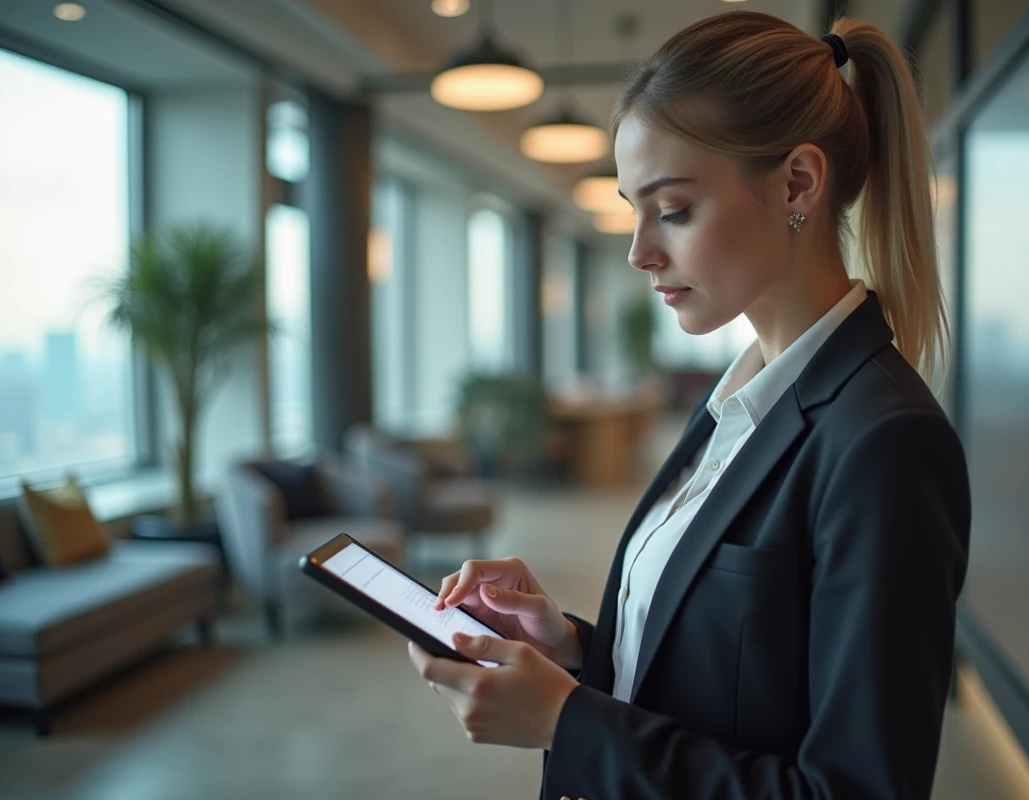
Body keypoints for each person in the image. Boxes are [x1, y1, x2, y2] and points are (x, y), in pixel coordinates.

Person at [407, 10, 971, 799]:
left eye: (671, 209)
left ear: (797, 184)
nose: (639, 250)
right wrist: (569, 647)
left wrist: (565, 723)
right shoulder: (737, 403)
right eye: (633, 208)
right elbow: (727, 678)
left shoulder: (884, 442)